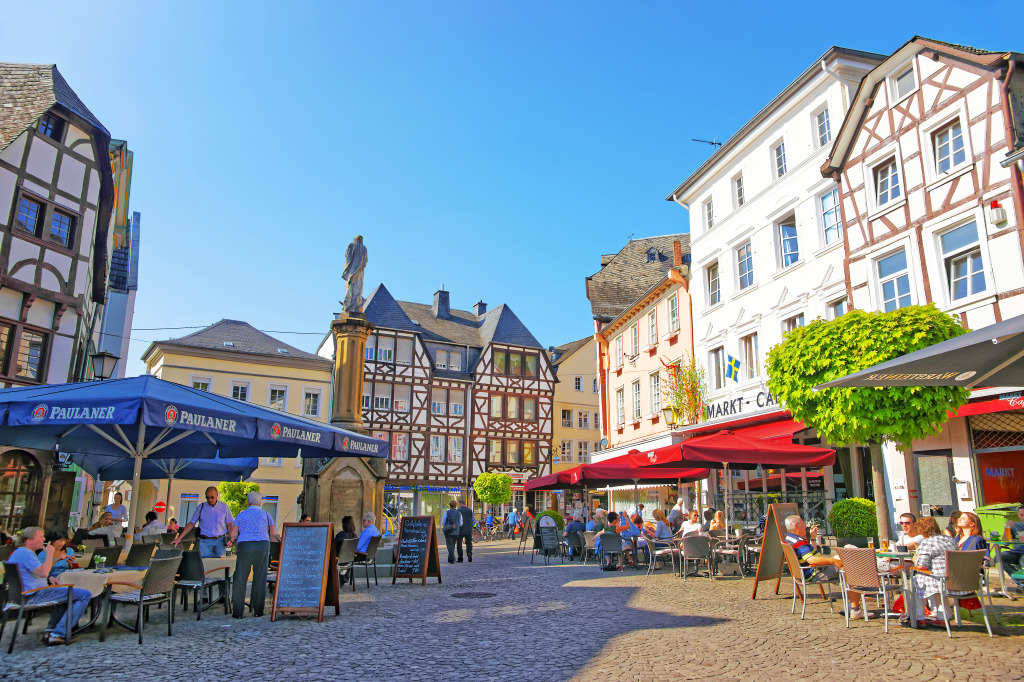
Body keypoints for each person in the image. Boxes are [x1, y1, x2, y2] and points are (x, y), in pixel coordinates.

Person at [10, 527, 92, 645]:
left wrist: (50, 576)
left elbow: (42, 572)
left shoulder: (20, 552)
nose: (44, 539)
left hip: (26, 594)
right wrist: (49, 553)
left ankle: (51, 631)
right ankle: (58, 634)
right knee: (84, 595)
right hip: (34, 594)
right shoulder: (27, 554)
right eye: (40, 537)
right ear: (29, 540)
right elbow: (43, 572)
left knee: (66, 593)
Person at [783, 514, 866, 619]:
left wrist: (813, 538)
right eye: (803, 524)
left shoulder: (790, 539)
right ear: (796, 526)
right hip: (815, 573)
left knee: (848, 552)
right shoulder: (798, 542)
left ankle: (853, 605)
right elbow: (813, 560)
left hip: (808, 571)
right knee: (852, 567)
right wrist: (834, 561)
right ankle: (855, 609)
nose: (805, 526)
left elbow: (813, 555)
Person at [229, 491, 279, 619]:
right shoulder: (267, 515)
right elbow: (273, 534)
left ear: (248, 502)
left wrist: (231, 541)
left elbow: (233, 535)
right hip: (262, 545)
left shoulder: (241, 515)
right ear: (260, 502)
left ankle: (238, 612)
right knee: (260, 577)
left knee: (241, 578)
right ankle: (258, 611)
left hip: (245, 545)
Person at [909, 516, 959, 626]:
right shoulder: (950, 539)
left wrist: (915, 560)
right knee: (933, 582)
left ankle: (919, 617)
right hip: (955, 579)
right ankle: (943, 617)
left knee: (915, 580)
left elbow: (922, 566)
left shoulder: (927, 543)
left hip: (938, 579)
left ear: (921, 529)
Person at [172, 486, 235, 557]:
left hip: (220, 541)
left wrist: (231, 539)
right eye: (207, 497)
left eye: (212, 497)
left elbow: (230, 524)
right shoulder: (201, 507)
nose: (210, 500)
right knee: (205, 565)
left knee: (220, 565)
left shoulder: (224, 507)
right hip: (205, 542)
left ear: (217, 495)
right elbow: (191, 523)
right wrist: (179, 538)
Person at [999, 504, 1024, 591]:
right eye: (1021, 515)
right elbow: (1005, 542)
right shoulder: (1015, 525)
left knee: (1023, 560)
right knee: (999, 557)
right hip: (1016, 552)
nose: (1023, 517)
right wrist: (1008, 528)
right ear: (1018, 515)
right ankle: (1021, 583)